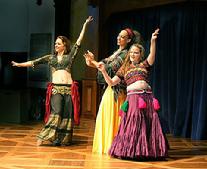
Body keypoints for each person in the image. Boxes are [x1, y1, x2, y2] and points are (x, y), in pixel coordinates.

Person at [11, 16, 93, 146]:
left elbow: (78, 41)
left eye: (58, 43)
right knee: (56, 112)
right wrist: (19, 64)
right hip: (56, 89)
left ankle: (62, 139)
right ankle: (43, 136)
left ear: (64, 45)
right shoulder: (50, 58)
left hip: (69, 89)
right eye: (55, 43)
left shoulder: (70, 56)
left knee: (67, 114)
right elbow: (34, 62)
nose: (56, 45)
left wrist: (84, 25)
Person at [97, 28, 169, 160]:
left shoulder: (144, 65)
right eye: (131, 52)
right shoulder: (124, 68)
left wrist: (153, 41)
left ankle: (149, 151)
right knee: (135, 123)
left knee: (148, 123)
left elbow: (152, 56)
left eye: (135, 53)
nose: (132, 55)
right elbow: (112, 83)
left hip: (147, 98)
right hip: (134, 99)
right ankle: (132, 151)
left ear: (140, 54)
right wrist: (104, 72)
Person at [84, 28, 144, 154]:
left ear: (128, 40)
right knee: (105, 116)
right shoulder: (116, 52)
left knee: (113, 118)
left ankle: (114, 146)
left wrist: (94, 62)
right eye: (118, 35)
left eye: (122, 37)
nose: (118, 38)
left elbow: (109, 68)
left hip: (118, 92)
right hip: (110, 90)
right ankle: (107, 146)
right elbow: (102, 66)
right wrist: (91, 62)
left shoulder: (125, 54)